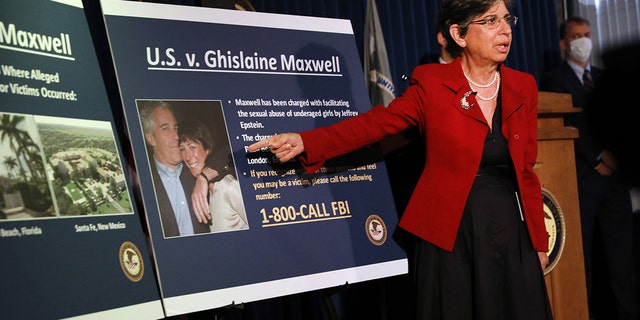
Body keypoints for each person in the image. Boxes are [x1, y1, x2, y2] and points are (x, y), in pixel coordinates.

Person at [249, 1, 553, 319]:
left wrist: (539, 240)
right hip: (449, 234)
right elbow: (374, 125)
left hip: (508, 231)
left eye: (507, 20)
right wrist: (305, 141)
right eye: (490, 21)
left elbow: (526, 171)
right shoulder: (433, 83)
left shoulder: (524, 86)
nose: (504, 30)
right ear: (458, 34)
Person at [540, 17, 639, 320]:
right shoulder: (553, 80)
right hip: (581, 180)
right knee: (582, 260)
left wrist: (617, 159)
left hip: (615, 184)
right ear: (564, 43)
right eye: (576, 36)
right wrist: (598, 156)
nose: (583, 41)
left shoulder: (604, 76)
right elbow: (567, 123)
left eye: (587, 35)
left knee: (622, 259)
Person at [138, 100, 212, 237]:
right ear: (150, 139)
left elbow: (225, 153)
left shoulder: (194, 168)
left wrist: (204, 177)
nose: (176, 136)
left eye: (176, 128)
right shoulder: (142, 182)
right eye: (165, 128)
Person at [178, 119, 249, 232]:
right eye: (182, 149)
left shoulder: (228, 187)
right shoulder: (207, 192)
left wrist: (203, 177)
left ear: (207, 149)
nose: (187, 156)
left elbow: (262, 228)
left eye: (192, 147)